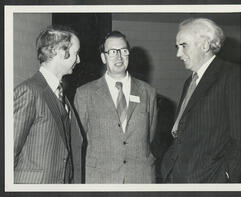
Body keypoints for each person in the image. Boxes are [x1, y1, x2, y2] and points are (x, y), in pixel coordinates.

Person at [161, 18, 241, 183]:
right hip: (178, 176)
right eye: (177, 47)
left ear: (205, 45)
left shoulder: (232, 75)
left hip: (208, 180)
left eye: (184, 45)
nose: (178, 54)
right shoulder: (189, 82)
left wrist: (226, 175)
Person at [74, 31, 158, 183]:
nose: (119, 57)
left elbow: (150, 136)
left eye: (123, 51)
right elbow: (79, 142)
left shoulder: (148, 92)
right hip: (100, 179)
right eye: (112, 52)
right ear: (103, 57)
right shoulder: (85, 94)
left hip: (140, 178)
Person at [14, 25, 83, 184]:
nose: (78, 60)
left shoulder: (63, 98)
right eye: (76, 53)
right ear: (59, 52)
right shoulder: (28, 92)